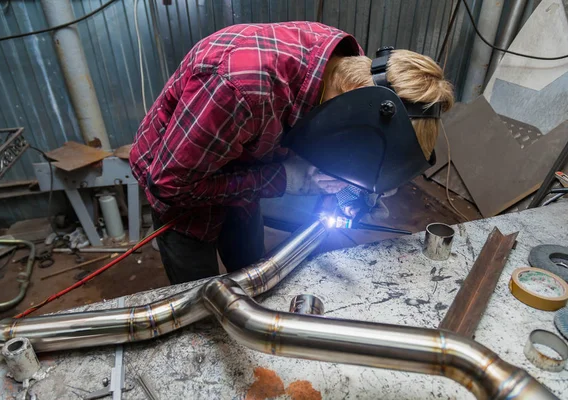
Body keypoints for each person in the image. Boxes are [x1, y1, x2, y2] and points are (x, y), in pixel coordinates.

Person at [130, 21, 454, 284]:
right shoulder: (238, 86)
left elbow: (314, 127)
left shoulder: (355, 78)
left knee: (253, 274)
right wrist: (285, 177)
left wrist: (358, 186)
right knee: (199, 301)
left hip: (243, 170)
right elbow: (170, 186)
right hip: (183, 186)